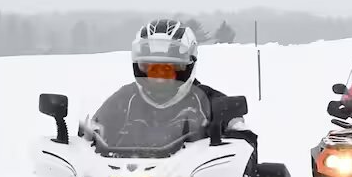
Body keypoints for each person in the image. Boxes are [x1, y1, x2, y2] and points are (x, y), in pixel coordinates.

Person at [90, 19, 250, 151]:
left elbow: (245, 145)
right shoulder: (123, 100)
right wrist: (88, 136)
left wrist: (233, 134)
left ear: (188, 65)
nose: (159, 79)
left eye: (168, 69)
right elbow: (91, 136)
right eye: (151, 69)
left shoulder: (210, 101)